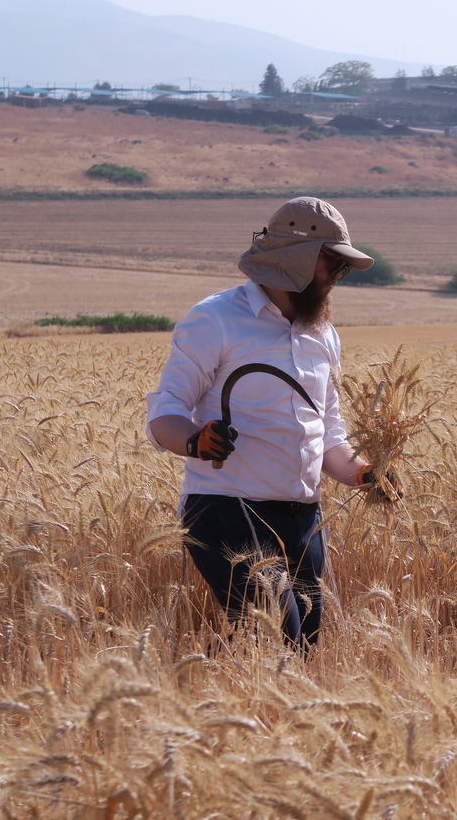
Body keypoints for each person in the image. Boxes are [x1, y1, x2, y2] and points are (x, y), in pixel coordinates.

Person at [145, 196, 392, 649]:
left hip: (303, 517)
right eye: (332, 265)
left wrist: (364, 473)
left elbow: (329, 436)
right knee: (279, 637)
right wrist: (197, 441)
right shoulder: (215, 319)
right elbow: (165, 413)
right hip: (227, 509)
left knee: (301, 651)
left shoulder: (324, 335)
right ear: (296, 260)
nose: (337, 280)